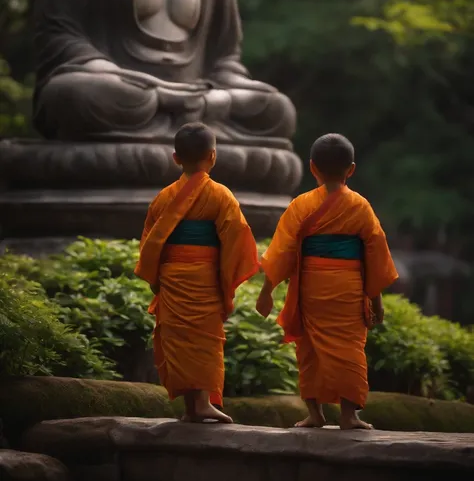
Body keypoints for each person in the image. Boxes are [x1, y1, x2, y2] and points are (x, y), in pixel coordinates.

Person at [256, 133, 398, 430]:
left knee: (310, 350)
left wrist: (267, 291)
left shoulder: (301, 205)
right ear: (352, 169)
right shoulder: (360, 206)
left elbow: (282, 250)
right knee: (348, 349)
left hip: (311, 288)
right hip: (348, 287)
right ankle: (349, 415)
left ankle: (315, 413)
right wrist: (376, 301)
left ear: (312, 168)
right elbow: (375, 254)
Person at [135, 122, 259, 423]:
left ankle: (193, 406)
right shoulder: (220, 196)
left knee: (179, 340)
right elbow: (234, 239)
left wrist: (156, 278)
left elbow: (150, 242)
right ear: (213, 156)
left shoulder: (163, 197)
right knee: (203, 341)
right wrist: (225, 280)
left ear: (175, 158)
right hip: (204, 277)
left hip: (172, 276)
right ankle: (200, 405)